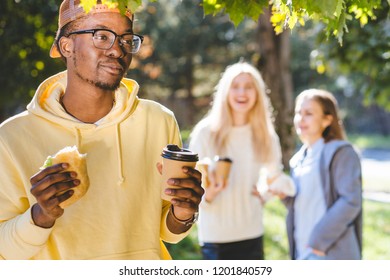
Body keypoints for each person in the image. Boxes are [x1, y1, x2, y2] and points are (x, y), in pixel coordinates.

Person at [0, 0, 203, 260]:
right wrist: (41, 215)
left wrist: (183, 212)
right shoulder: (12, 138)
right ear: (67, 45)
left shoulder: (158, 120)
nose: (117, 50)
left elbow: (168, 231)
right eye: (102, 36)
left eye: (126, 39)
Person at [188, 61, 294, 260]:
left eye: (248, 87)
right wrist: (208, 194)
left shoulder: (265, 135)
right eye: (235, 86)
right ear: (225, 92)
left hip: (251, 232)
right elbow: (191, 186)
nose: (242, 93)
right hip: (215, 236)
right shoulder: (205, 133)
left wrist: (264, 194)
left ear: (258, 94)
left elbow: (275, 175)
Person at [282, 88, 362, 260]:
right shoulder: (297, 160)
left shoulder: (342, 152)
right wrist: (284, 195)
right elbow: (304, 202)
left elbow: (351, 201)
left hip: (327, 253)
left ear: (327, 120)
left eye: (308, 113)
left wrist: (318, 241)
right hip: (301, 251)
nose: (301, 119)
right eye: (298, 112)